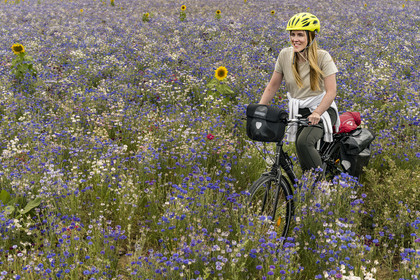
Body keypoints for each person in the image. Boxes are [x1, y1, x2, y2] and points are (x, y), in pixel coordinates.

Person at [259, 12, 340, 176]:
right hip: (299, 110)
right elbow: (272, 86)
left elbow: (331, 92)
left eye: (300, 35)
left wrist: (317, 112)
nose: (295, 39)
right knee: (298, 145)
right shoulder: (284, 55)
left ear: (311, 36)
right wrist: (260, 109)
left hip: (322, 109)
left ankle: (320, 188)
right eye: (292, 34)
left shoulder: (323, 57)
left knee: (304, 143)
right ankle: (307, 180)